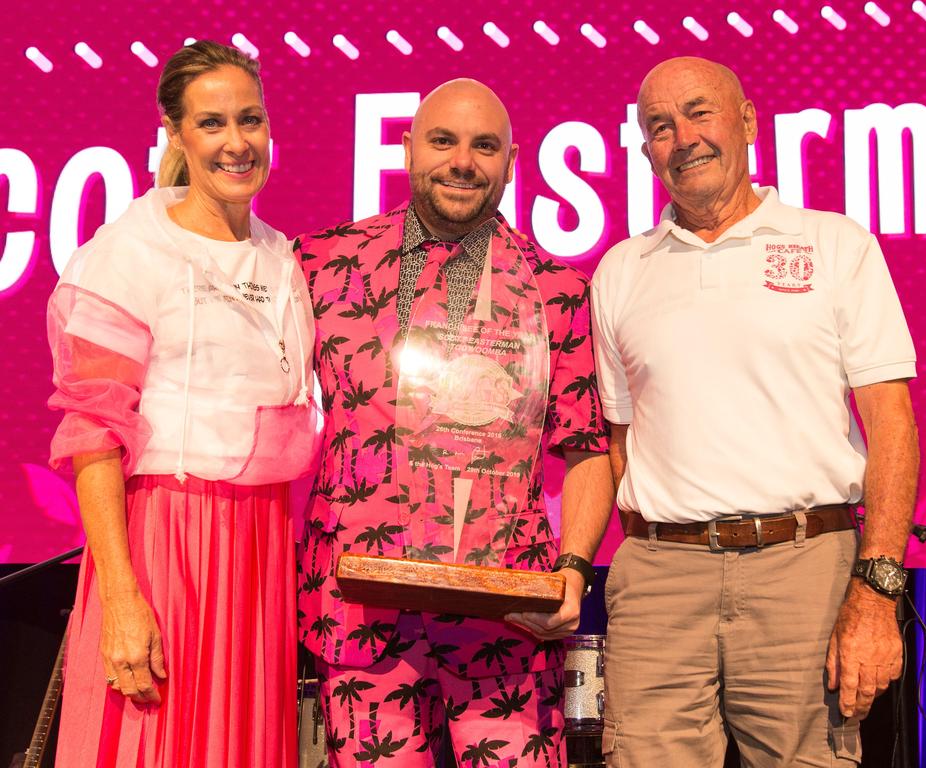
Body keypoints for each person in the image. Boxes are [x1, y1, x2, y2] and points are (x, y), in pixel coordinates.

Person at [589, 57, 920, 766]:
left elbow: (892, 426)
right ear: (645, 151)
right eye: (660, 127)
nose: (683, 138)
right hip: (659, 578)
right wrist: (657, 549)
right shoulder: (620, 270)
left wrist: (878, 589)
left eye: (700, 112)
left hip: (805, 571)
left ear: (747, 121)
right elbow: (621, 438)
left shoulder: (837, 245)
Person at [294, 78, 613, 767]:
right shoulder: (320, 265)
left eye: (484, 145)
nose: (463, 160)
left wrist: (575, 571)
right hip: (361, 608)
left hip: (508, 616)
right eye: (443, 140)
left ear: (511, 159)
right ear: (407, 148)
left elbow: (588, 448)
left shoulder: (558, 289)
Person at [48, 41, 317, 767]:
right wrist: (122, 599)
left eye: (251, 120)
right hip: (164, 540)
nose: (238, 142)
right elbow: (94, 434)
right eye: (212, 123)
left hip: (258, 549)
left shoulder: (280, 257)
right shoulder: (133, 251)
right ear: (175, 135)